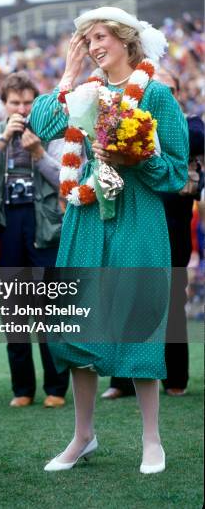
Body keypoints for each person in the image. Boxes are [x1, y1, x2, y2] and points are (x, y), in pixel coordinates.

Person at [30, 6, 188, 475]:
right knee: (80, 326)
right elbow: (44, 125)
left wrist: (135, 156)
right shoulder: (83, 91)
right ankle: (83, 436)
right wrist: (68, 73)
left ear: (124, 40)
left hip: (138, 217)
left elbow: (176, 171)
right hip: (86, 219)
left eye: (101, 37)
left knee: (139, 322)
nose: (94, 45)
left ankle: (152, 441)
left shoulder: (156, 96)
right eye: (87, 39)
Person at [101, 68, 204, 400]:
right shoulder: (129, 118)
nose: (163, 97)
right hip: (134, 220)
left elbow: (194, 137)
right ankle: (121, 380)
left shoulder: (189, 125)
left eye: (170, 91)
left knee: (171, 300)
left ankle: (175, 377)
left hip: (172, 227)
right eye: (157, 90)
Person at [0, 71, 69, 408]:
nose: (23, 109)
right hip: (5, 225)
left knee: (50, 310)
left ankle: (56, 388)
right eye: (15, 102)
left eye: (28, 102)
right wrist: (2, 143)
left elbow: (65, 180)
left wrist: (39, 153)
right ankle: (22, 389)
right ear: (4, 104)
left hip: (44, 226)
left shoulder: (52, 132)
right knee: (14, 311)